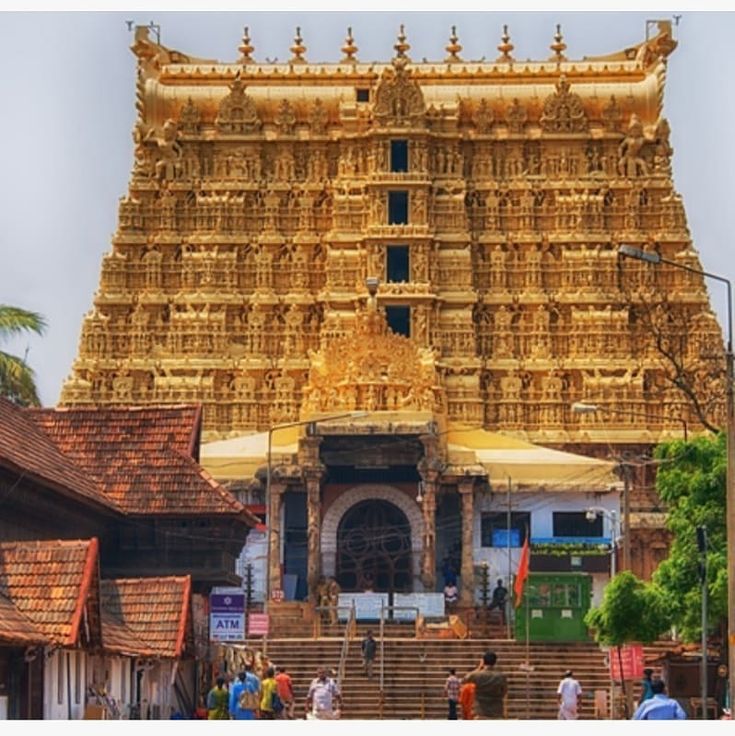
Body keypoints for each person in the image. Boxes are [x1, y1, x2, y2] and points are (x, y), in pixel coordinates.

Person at [461, 650, 508, 719]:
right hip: (497, 711)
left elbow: (464, 680)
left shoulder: (477, 675)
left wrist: (479, 667)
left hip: (480, 712)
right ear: (495, 662)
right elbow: (504, 691)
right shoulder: (501, 676)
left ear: (483, 661)